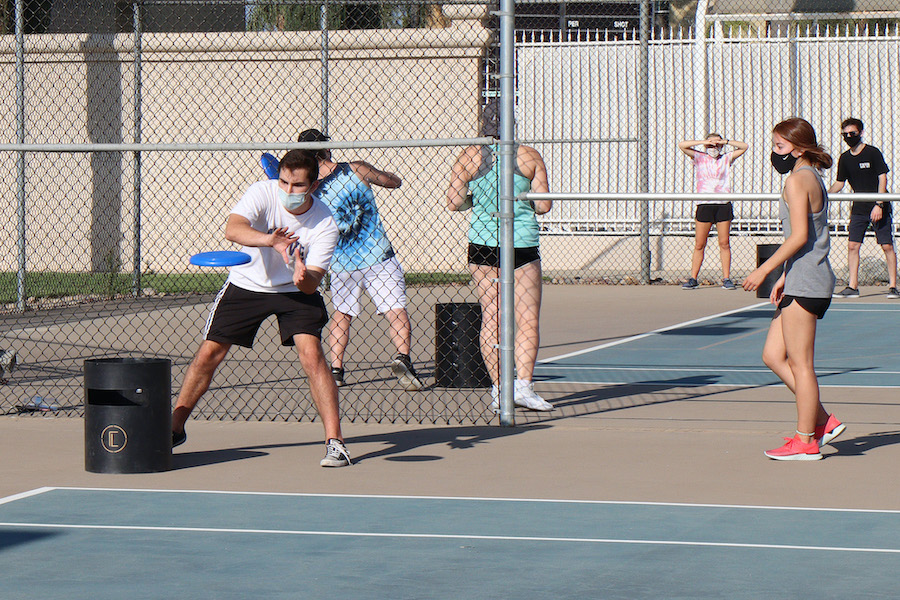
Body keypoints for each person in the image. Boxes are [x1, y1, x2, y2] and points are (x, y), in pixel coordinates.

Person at [171, 150, 352, 467]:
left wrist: (302, 276)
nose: (288, 190)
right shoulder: (261, 192)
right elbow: (233, 229)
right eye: (284, 182)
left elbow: (311, 284)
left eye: (298, 185)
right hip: (247, 283)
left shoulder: (325, 224)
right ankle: (173, 429)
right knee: (208, 353)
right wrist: (272, 241)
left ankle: (335, 443)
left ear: (313, 186)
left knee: (312, 355)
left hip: (294, 292)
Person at [742, 118, 845, 461]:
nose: (775, 153)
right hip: (800, 277)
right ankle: (823, 421)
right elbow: (810, 236)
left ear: (799, 149)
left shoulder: (798, 180)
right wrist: (785, 274)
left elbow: (799, 236)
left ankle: (806, 441)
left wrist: (764, 269)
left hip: (809, 281)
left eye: (780, 147)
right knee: (773, 355)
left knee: (802, 365)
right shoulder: (810, 176)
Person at [445, 101, 554, 412]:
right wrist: (522, 201)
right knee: (526, 316)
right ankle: (523, 386)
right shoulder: (528, 155)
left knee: (492, 315)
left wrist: (477, 201)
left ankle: (499, 389)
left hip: (483, 242)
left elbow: (454, 202)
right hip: (519, 241)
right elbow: (543, 205)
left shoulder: (469, 156)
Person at [296, 128, 425, 391]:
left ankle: (336, 370)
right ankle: (403, 357)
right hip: (379, 255)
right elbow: (392, 182)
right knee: (395, 310)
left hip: (341, 260)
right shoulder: (355, 169)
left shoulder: (309, 188)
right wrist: (386, 176)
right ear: (326, 149)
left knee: (342, 314)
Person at [828, 118, 898, 299]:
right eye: (845, 134)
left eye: (852, 133)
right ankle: (852, 287)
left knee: (887, 245)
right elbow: (839, 183)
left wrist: (879, 204)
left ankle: (893, 286)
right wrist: (824, 194)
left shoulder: (873, 153)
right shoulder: (844, 158)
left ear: (861, 133)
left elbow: (882, 178)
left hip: (878, 205)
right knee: (853, 245)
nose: (849, 137)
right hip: (859, 207)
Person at [677, 133, 749, 290]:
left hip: (722, 204)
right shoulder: (700, 157)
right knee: (700, 243)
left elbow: (744, 146)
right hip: (705, 204)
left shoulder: (726, 158)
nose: (713, 148)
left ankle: (726, 278)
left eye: (716, 146)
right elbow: (682, 145)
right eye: (710, 146)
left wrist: (725, 142)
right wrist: (705, 141)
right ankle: (693, 278)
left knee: (724, 243)